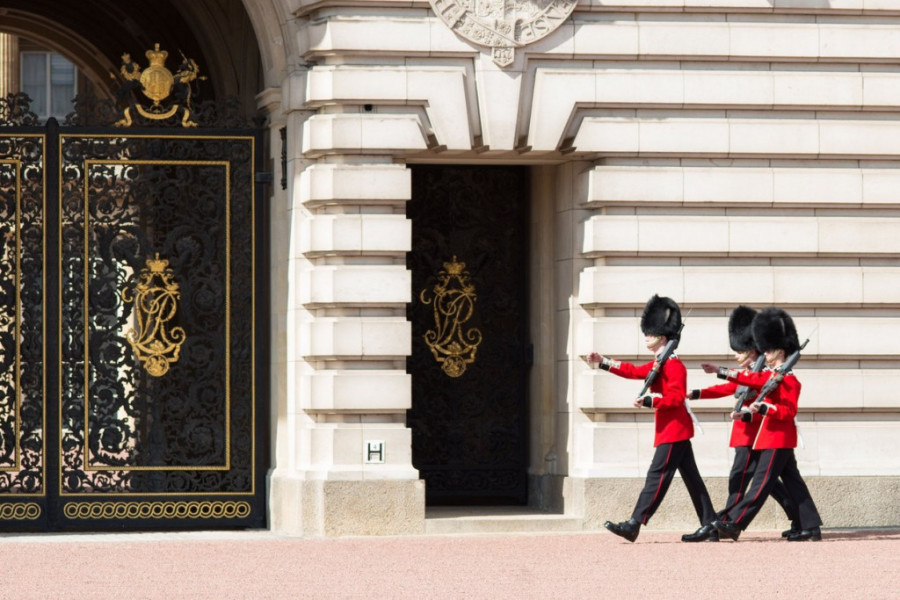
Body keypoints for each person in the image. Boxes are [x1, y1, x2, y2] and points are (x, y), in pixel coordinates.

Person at [588, 295, 716, 543]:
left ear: (663, 336)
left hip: (674, 430)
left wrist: (649, 401)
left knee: (656, 477)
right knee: (692, 478)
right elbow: (633, 371)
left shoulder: (674, 366)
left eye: (650, 333)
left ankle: (635, 523)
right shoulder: (660, 363)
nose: (646, 337)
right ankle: (711, 523)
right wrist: (603, 361)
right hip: (673, 430)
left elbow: (676, 399)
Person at [702, 307, 823, 542]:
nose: (764, 353)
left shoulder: (790, 380)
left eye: (768, 349)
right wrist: (721, 371)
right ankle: (809, 526)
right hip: (772, 439)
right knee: (793, 484)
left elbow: (788, 412)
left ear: (780, 350)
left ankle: (735, 522)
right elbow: (750, 378)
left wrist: (765, 408)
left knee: (760, 484)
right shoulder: (772, 376)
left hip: (778, 439)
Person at [685, 305, 799, 541]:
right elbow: (726, 388)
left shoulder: (765, 374)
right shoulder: (750, 372)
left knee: (742, 478)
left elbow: (763, 395)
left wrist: (722, 373)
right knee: (767, 482)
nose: (737, 355)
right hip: (748, 433)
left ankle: (726, 522)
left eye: (741, 351)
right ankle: (798, 515)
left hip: (756, 433)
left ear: (751, 350)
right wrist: (697, 393)